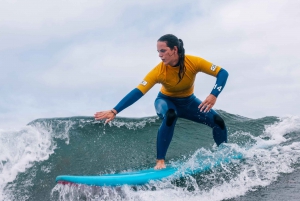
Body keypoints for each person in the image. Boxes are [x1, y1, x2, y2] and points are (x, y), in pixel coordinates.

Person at [94, 34, 228, 170]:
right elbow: (138, 91)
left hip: (189, 102)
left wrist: (214, 94)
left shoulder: (193, 62)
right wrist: (114, 111)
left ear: (174, 49)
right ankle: (160, 161)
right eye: (158, 51)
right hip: (165, 101)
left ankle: (224, 154)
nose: (159, 55)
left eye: (163, 51)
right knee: (171, 115)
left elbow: (222, 73)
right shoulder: (159, 71)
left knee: (218, 121)